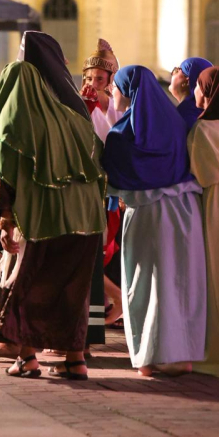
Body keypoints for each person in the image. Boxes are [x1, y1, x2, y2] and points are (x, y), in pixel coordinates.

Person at [0, 60, 106, 380]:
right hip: (88, 219)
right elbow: (99, 162)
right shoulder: (72, 118)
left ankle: (26, 359)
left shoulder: (16, 122)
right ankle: (75, 361)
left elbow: (7, 175)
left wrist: (6, 222)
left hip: (46, 219)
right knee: (73, 292)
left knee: (30, 287)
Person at [102, 65, 206, 377]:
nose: (112, 93)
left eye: (116, 88)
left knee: (144, 285)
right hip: (184, 211)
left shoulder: (124, 133)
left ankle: (148, 358)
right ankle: (180, 356)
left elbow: (115, 170)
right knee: (178, 284)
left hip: (147, 214)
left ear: (130, 91)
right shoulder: (176, 124)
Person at [80, 39, 125, 326]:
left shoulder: (120, 108)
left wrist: (100, 105)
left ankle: (117, 301)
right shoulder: (81, 102)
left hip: (112, 188)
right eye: (89, 77)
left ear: (110, 80)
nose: (93, 82)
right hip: (88, 185)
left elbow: (115, 139)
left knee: (107, 246)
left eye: (99, 78)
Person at [187, 66, 219, 378]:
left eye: (197, 86)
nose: (193, 92)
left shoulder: (205, 130)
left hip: (214, 206)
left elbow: (203, 174)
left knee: (214, 274)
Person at [169, 57, 213, 128]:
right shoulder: (207, 111)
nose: (172, 74)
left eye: (176, 71)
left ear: (187, 81)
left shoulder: (185, 113)